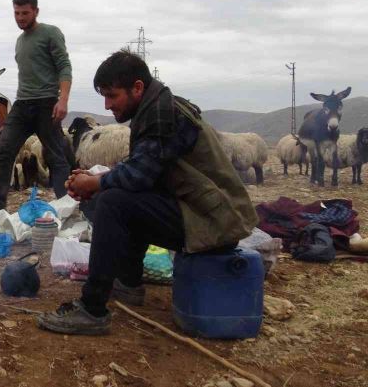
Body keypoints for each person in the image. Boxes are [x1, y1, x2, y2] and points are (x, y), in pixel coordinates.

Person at [37, 50, 258, 335]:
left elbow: (139, 176)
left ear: (137, 88)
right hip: (202, 213)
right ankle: (127, 283)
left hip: (213, 223)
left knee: (113, 202)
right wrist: (97, 178)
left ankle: (92, 310)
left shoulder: (162, 115)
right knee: (120, 196)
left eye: (112, 96)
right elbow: (146, 168)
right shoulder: (157, 107)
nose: (107, 105)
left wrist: (95, 184)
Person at [0, 0, 73, 218]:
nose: (20, 17)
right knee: (5, 150)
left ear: (36, 12)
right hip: (23, 104)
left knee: (56, 156)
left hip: (47, 103)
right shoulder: (20, 41)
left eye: (25, 13)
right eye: (16, 13)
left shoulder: (50, 33)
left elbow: (64, 66)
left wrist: (63, 99)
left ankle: (65, 207)